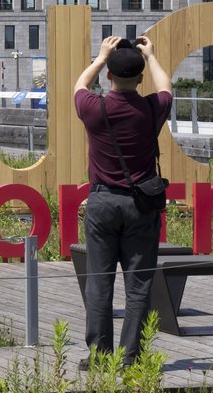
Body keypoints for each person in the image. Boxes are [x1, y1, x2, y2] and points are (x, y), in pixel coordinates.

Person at [73, 34, 173, 368]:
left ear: (108, 76)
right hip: (140, 204)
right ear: (141, 79)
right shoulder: (150, 108)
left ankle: (99, 355)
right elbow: (166, 88)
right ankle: (131, 356)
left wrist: (101, 56)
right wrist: (151, 55)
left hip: (102, 202)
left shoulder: (94, 108)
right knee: (139, 284)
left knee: (99, 282)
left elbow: (79, 86)